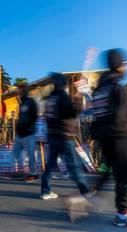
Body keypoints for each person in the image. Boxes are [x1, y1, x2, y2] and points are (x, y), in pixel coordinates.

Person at [91, 49, 127, 226]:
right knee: (124, 176)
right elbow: (123, 114)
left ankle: (93, 197)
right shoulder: (116, 88)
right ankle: (122, 216)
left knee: (113, 172)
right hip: (119, 137)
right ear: (119, 66)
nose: (126, 68)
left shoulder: (99, 90)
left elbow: (104, 112)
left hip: (105, 137)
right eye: (124, 64)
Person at [41, 72, 90, 200]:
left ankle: (45, 191)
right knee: (74, 165)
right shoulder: (62, 96)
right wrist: (79, 98)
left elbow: (47, 116)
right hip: (64, 135)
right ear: (63, 84)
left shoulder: (50, 98)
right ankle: (84, 191)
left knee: (51, 164)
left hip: (52, 135)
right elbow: (72, 113)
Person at [13, 83, 38, 182]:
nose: (17, 92)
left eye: (19, 90)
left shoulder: (30, 102)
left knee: (30, 155)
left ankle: (33, 174)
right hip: (20, 135)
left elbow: (34, 116)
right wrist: (18, 129)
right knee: (14, 153)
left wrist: (27, 127)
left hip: (29, 134)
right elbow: (21, 118)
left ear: (23, 91)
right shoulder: (22, 103)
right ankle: (18, 172)